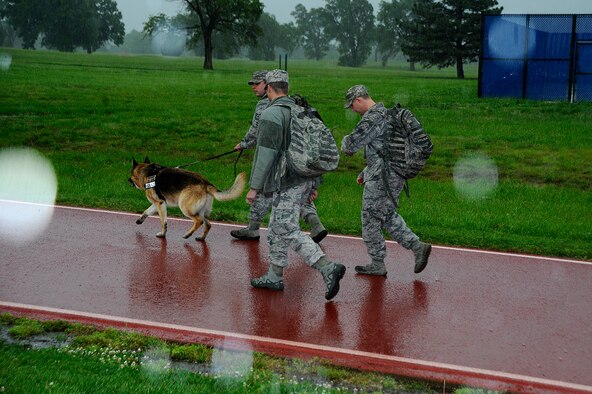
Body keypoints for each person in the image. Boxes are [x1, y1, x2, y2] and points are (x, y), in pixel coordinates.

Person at [248, 69, 345, 301]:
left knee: (286, 228)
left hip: (286, 181)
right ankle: (274, 275)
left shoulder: (271, 115)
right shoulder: (301, 111)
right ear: (286, 88)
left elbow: (265, 154)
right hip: (303, 178)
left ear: (269, 88)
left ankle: (327, 267)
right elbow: (315, 150)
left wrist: (254, 187)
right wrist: (314, 184)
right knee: (276, 227)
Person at [341, 85, 431, 276]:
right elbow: (383, 150)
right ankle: (417, 246)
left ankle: (377, 262)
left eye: (351, 106)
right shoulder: (388, 114)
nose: (352, 110)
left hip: (383, 178)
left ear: (359, 100)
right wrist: (366, 171)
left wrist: (343, 141)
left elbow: (350, 146)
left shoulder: (372, 118)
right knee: (386, 214)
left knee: (370, 217)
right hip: (391, 174)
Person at [231, 70, 327, 243]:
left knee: (263, 193)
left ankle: (253, 228)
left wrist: (244, 144)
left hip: (277, 161)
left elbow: (258, 132)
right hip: (297, 163)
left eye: (257, 83)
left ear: (268, 86)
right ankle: (315, 224)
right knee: (298, 193)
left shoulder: (266, 107)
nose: (253, 87)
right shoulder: (296, 106)